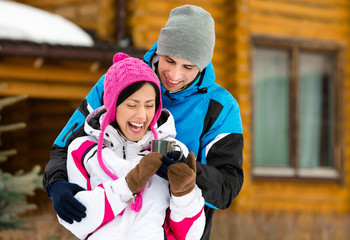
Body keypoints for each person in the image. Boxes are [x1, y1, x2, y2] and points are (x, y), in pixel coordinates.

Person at [43, 5, 244, 240]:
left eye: (188, 67)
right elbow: (66, 143)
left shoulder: (220, 107)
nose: (175, 75)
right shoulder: (121, 80)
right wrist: (56, 184)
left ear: (202, 66)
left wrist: (185, 172)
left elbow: (228, 186)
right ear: (160, 50)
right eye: (169, 60)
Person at [58, 52, 205, 239]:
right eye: (132, 105)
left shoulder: (170, 151)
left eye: (149, 105)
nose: (142, 115)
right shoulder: (84, 150)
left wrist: (184, 192)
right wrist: (128, 185)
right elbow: (78, 223)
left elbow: (191, 235)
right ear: (113, 106)